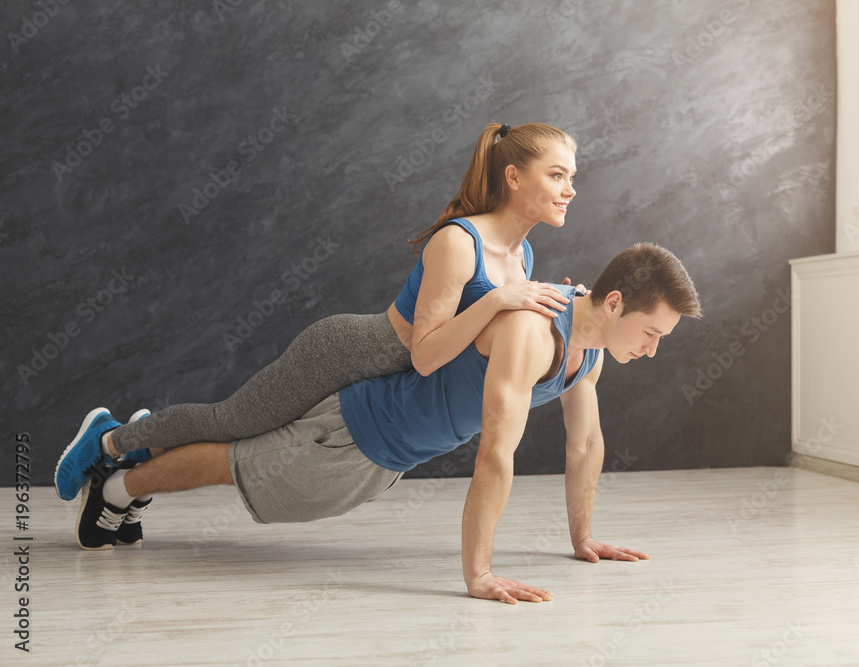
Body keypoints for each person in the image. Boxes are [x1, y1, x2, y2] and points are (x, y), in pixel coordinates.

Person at [71, 242, 703, 604]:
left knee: (238, 459)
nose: (651, 350)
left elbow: (586, 442)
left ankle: (127, 471)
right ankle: (116, 486)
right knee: (231, 459)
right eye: (651, 334)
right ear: (615, 302)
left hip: (387, 455)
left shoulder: (588, 351)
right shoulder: (535, 333)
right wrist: (477, 574)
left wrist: (583, 538)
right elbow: (495, 455)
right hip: (355, 429)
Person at [54, 121, 580, 520]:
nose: (569, 189)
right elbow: (424, 354)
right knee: (230, 422)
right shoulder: (459, 241)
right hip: (347, 352)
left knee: (243, 435)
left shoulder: (523, 256)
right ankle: (109, 439)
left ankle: (135, 452)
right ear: (513, 176)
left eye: (571, 176)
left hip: (379, 380)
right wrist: (500, 301)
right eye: (556, 175)